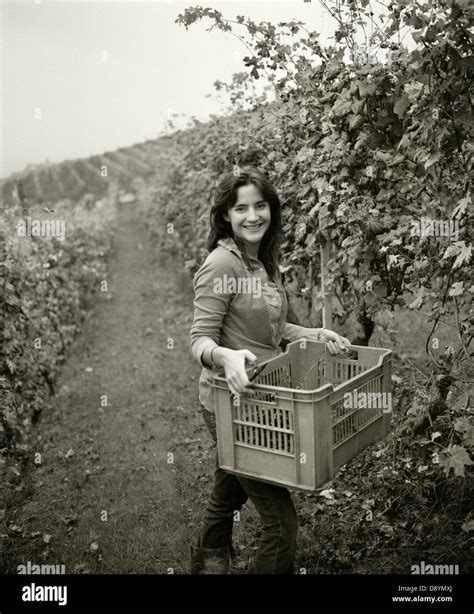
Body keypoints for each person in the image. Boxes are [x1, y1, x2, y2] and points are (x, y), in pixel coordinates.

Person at [189, 166, 350, 574]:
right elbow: (199, 340)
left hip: (263, 395)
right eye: (241, 208)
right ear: (226, 214)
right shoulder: (221, 266)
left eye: (260, 206)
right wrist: (225, 356)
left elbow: (276, 328)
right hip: (232, 403)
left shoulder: (262, 262)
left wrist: (315, 331)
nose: (252, 216)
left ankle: (209, 563)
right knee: (281, 525)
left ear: (271, 209)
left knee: (229, 491)